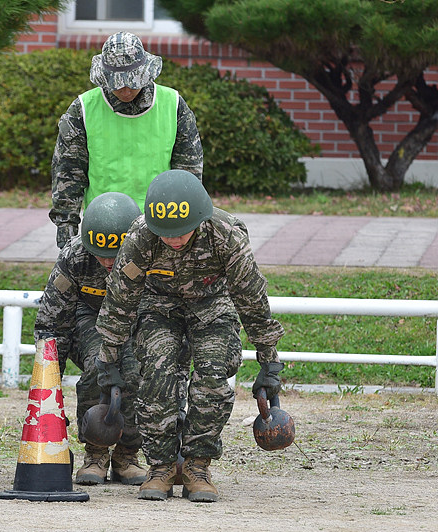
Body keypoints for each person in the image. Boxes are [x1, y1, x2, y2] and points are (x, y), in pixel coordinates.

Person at [95, 170, 285, 503]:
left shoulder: (226, 236)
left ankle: (198, 465)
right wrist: (108, 358)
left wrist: (269, 361)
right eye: (167, 233)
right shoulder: (141, 237)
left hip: (213, 305)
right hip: (158, 306)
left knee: (212, 374)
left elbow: (252, 299)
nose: (175, 240)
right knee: (156, 373)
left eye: (183, 232)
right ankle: (161, 467)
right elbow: (120, 299)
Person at [50, 31, 204, 249]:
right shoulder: (84, 108)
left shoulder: (173, 104)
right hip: (103, 224)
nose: (125, 90)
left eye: (132, 82)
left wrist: (187, 221)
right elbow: (68, 170)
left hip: (161, 224)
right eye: (117, 83)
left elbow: (189, 171)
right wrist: (66, 222)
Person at [35, 192, 147, 486]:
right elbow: (52, 319)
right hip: (90, 316)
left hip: (139, 318)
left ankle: (127, 455)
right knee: (97, 369)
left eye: (114, 254)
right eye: (101, 254)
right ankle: (96, 453)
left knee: (133, 372)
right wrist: (48, 378)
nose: (107, 261)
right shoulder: (74, 256)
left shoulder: (148, 251)